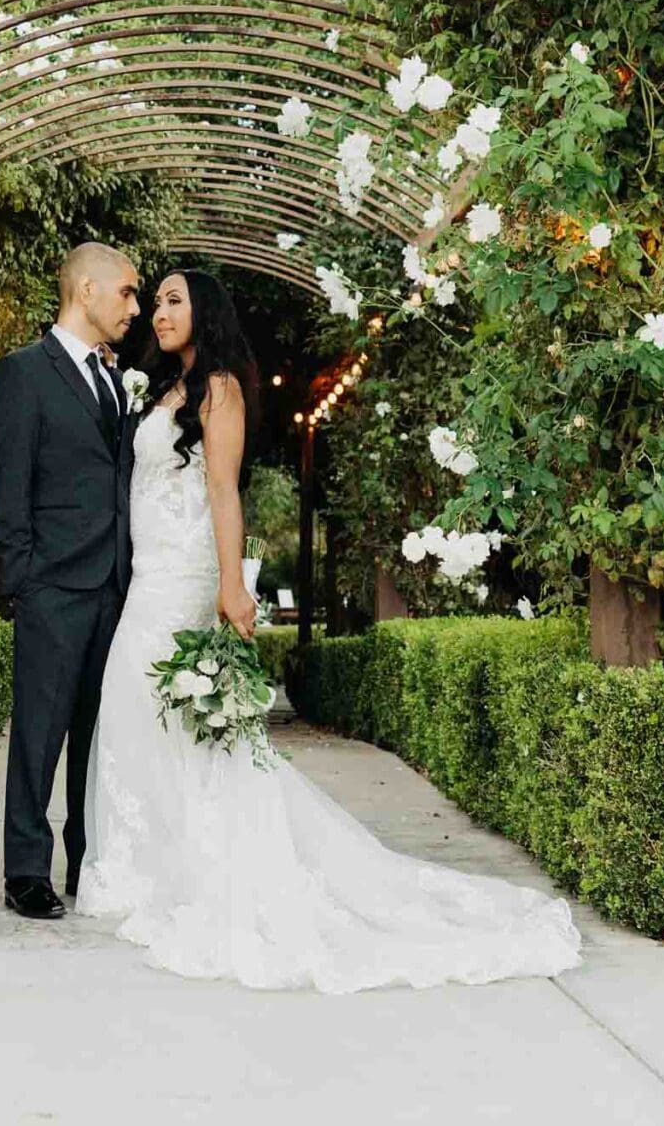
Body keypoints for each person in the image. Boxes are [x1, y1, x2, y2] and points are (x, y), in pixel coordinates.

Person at [74, 268, 583, 991]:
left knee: (164, 706)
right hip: (148, 572)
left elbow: (222, 490)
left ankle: (181, 867)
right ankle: (148, 861)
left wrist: (230, 584)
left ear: (205, 312)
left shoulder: (220, 388)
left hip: (183, 576)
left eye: (173, 301)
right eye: (155, 302)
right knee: (138, 709)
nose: (158, 312)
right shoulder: (159, 388)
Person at [0, 241, 141, 920]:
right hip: (51, 585)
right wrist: (22, 581)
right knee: (39, 734)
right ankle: (26, 870)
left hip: (114, 585)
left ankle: (85, 861)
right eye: (127, 292)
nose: (134, 307)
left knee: (97, 738)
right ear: (87, 291)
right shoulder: (23, 373)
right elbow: (9, 488)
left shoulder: (116, 380)